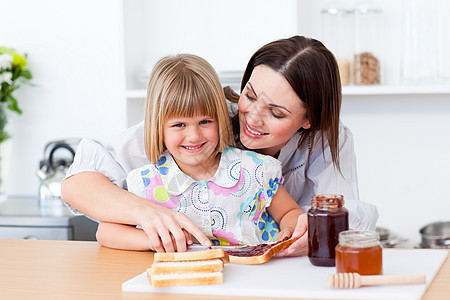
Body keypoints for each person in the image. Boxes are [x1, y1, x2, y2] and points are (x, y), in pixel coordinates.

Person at [61, 35, 377, 255]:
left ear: (310, 120)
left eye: (276, 113)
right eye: (250, 95)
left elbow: (340, 215)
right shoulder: (201, 116)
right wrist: (149, 217)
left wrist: (309, 229)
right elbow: (79, 186)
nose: (252, 117)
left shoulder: (313, 145)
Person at [95, 54, 305, 253]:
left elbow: (289, 212)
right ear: (158, 127)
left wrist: (289, 230)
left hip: (252, 278)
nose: (194, 136)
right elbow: (106, 232)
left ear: (220, 118)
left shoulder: (256, 169)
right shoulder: (147, 182)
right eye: (179, 125)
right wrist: (152, 241)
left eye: (205, 122)